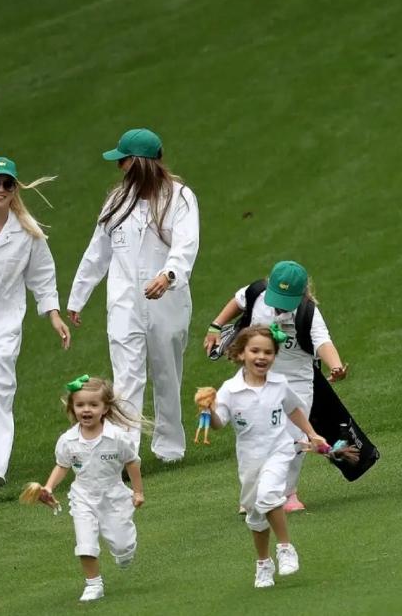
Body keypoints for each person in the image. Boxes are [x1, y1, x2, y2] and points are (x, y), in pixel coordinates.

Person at [68, 128, 200, 462]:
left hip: (167, 303)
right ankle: (127, 451)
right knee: (126, 377)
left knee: (166, 372)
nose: (119, 168)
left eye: (122, 160)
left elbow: (186, 245)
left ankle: (169, 446)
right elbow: (98, 251)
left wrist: (168, 275)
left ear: (138, 163)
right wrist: (78, 296)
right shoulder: (117, 201)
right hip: (125, 302)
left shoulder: (180, 197)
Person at [202, 260, 348, 512]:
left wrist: (335, 365)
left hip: (296, 380)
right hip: (257, 374)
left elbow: (323, 342)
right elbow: (238, 302)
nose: (280, 305)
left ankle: (288, 492)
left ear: (301, 294)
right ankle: (255, 492)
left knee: (296, 437)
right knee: (258, 433)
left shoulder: (307, 312)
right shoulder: (257, 293)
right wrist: (215, 325)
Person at [203, 325, 328, 588]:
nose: (262, 357)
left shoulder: (279, 383)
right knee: (255, 514)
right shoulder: (230, 389)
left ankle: (285, 548)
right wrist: (209, 411)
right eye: (255, 351)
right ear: (240, 354)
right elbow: (219, 423)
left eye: (268, 352)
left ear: (274, 356)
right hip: (250, 459)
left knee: (270, 494)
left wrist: (312, 434)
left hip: (279, 451)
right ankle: (263, 563)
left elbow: (294, 409)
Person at [0, 157, 70, 488]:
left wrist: (53, 314)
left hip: (4, 326)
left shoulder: (27, 232)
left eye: (8, 183)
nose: (2, 190)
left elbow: (43, 276)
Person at [39, 376, 144, 603]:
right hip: (83, 497)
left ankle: (124, 551)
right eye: (80, 405)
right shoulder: (67, 441)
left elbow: (132, 463)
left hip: (114, 496)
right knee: (85, 543)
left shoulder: (117, 437)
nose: (86, 410)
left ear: (105, 408)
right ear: (72, 407)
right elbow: (62, 466)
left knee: (123, 547)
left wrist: (137, 492)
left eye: (93, 405)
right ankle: (93, 584)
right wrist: (48, 487)